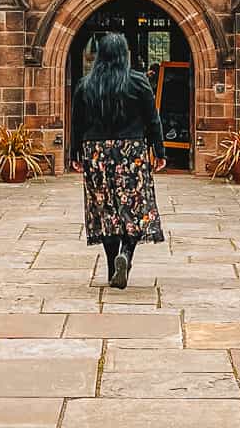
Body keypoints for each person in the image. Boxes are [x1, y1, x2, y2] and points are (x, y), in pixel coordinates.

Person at [70, 32, 167, 289]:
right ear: (125, 55)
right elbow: (152, 119)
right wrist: (159, 151)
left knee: (104, 209)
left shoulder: (85, 85)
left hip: (96, 153)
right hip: (130, 152)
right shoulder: (137, 82)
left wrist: (74, 154)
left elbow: (76, 123)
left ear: (100, 54)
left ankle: (113, 265)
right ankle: (127, 253)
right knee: (134, 206)